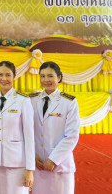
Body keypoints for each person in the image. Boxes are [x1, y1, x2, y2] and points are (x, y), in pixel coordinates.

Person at [0, 61, 35, 194]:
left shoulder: (23, 100)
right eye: (0, 74)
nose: (4, 79)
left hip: (16, 161)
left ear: (14, 76)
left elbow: (29, 136)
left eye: (8, 75)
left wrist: (29, 168)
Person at [30, 61, 80, 194]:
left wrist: (53, 159)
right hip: (38, 165)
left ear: (59, 78)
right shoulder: (32, 100)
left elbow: (72, 136)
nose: (46, 80)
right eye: (42, 76)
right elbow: (28, 131)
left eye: (50, 76)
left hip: (60, 165)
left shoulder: (69, 102)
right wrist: (32, 155)